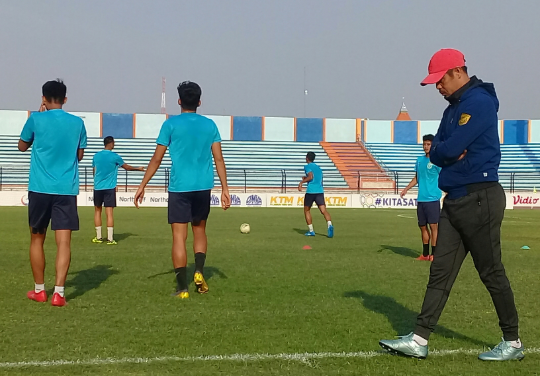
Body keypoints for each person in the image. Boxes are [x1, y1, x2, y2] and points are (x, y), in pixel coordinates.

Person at [379, 49, 523, 361]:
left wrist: (447, 151)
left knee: (490, 271)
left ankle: (512, 342)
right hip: (456, 199)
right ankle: (419, 338)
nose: (437, 87)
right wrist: (445, 151)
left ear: (457, 71)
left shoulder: (479, 103)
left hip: (480, 197)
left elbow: (450, 146)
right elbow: (439, 150)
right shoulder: (453, 109)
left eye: (439, 80)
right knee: (440, 271)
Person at [134, 81, 230, 299]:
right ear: (199, 101)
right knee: (200, 231)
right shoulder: (210, 125)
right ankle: (198, 271)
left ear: (179, 101)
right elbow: (218, 158)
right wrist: (225, 188)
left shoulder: (170, 125)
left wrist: (142, 185)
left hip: (180, 187)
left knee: (179, 237)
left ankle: (182, 289)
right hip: (203, 186)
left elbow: (157, 159)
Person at [18, 79, 87, 307]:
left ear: (43, 99)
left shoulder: (35, 119)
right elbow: (79, 156)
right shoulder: (77, 123)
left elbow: (21, 146)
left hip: (39, 188)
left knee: (37, 239)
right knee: (64, 242)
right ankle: (59, 293)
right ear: (65, 99)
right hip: (66, 189)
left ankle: (40, 290)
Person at [92, 136, 145, 245]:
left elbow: (94, 170)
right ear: (111, 143)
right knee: (109, 213)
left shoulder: (96, 156)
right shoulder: (115, 156)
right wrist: (138, 169)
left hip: (98, 187)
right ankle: (110, 239)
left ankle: (98, 237)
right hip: (109, 187)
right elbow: (126, 167)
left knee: (97, 211)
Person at [400, 134, 442, 261]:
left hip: (433, 199)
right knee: (422, 226)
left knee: (434, 227)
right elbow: (417, 178)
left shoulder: (438, 161)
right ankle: (425, 254)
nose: (426, 146)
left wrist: (448, 191)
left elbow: (444, 177)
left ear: (433, 145)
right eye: (424, 144)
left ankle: (434, 254)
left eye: (428, 144)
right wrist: (406, 188)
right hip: (421, 199)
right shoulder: (419, 160)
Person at [298, 152, 334, 238]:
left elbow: (311, 177)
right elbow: (318, 179)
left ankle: (311, 231)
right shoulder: (318, 168)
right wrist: (305, 178)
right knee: (323, 211)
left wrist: (301, 182)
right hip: (319, 191)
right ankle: (330, 225)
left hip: (311, 192)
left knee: (307, 210)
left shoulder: (307, 166)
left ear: (307, 158)